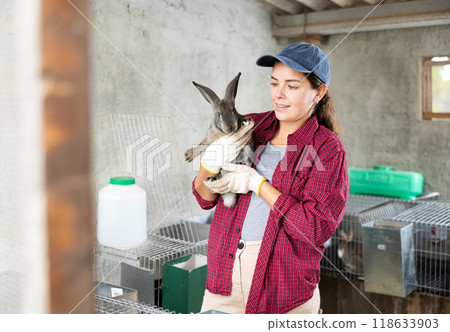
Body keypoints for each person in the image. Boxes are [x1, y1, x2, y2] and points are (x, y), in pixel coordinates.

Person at [191, 42, 349, 314]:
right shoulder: (252, 126)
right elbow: (204, 198)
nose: (279, 94)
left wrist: (258, 184)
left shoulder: (327, 148)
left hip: (282, 291)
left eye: (292, 85)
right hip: (222, 280)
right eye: (274, 83)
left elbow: (314, 227)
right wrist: (208, 164)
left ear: (318, 92)